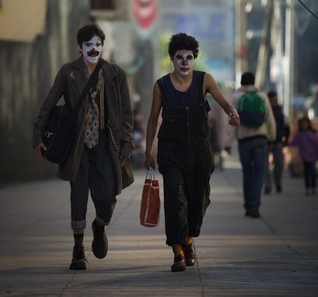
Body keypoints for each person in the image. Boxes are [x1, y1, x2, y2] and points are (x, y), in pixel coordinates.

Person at [32, 23, 134, 270]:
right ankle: (78, 250)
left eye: (98, 44)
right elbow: (48, 103)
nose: (94, 49)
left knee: (109, 194)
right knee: (78, 196)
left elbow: (126, 113)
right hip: (76, 145)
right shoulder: (68, 72)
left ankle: (99, 225)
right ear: (80, 47)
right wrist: (37, 136)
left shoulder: (115, 73)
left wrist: (126, 144)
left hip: (105, 144)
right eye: (89, 45)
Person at [145, 32, 240, 272]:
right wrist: (148, 151)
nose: (184, 62)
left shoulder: (205, 80)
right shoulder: (161, 86)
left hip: (199, 150)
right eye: (179, 57)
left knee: (199, 200)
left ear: (194, 59)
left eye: (189, 57)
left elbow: (223, 101)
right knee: (176, 201)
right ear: (172, 59)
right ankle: (177, 251)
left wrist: (232, 112)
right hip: (171, 151)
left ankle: (188, 240)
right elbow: (153, 119)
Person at [225, 72, 276, 219]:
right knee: (259, 173)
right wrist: (271, 138)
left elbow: (231, 122)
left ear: (241, 82)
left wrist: (227, 143)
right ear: (254, 82)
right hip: (260, 139)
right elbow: (270, 119)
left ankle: (248, 205)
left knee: (247, 173)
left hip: (244, 140)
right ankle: (255, 205)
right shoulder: (262, 96)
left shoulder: (236, 97)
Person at [263, 91, 290, 194]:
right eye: (274, 100)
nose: (275, 102)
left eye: (276, 100)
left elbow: (287, 126)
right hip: (265, 141)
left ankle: (277, 182)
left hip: (277, 141)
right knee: (264, 165)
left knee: (279, 163)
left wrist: (285, 141)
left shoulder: (280, 111)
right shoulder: (264, 110)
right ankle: (267, 185)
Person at [289, 116, 318, 195]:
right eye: (302, 124)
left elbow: (316, 144)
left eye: (305, 124)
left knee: (312, 172)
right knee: (307, 173)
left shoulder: (312, 134)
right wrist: (286, 143)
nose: (304, 125)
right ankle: (308, 187)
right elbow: (294, 142)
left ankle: (313, 186)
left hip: (312, 156)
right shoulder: (299, 135)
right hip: (304, 157)